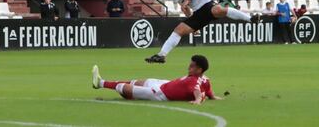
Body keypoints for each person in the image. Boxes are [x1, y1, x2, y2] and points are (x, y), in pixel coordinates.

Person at [145, 0, 260, 63]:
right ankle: (161, 55)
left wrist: (187, 0)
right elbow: (186, 8)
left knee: (217, 10)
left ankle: (251, 19)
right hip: (198, 12)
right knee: (179, 30)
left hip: (207, 1)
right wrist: (192, 22)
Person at [92, 55, 223, 104]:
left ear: (199, 70)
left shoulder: (193, 81)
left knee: (123, 88)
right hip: (165, 84)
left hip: (160, 94)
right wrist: (213, 97)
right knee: (139, 82)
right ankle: (131, 94)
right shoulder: (205, 79)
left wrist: (198, 100)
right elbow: (209, 91)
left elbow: (197, 93)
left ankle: (100, 83)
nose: (189, 66)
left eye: (192, 65)